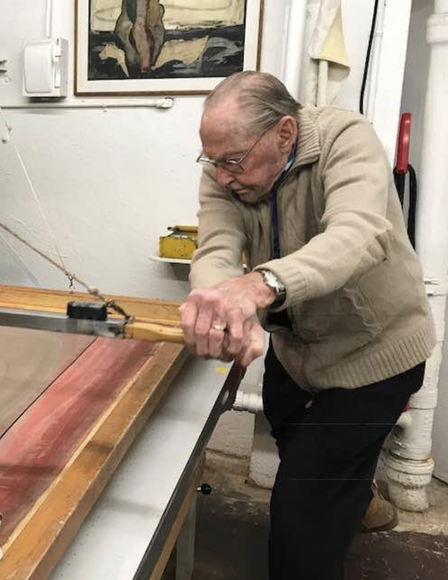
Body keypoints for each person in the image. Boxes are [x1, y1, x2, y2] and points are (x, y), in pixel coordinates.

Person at [182, 71, 435, 580]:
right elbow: (215, 250)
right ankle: (360, 501)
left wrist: (260, 285)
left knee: (302, 512)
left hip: (377, 353)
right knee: (291, 430)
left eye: (233, 161)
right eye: (213, 161)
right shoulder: (224, 170)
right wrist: (216, 300)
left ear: (284, 133)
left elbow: (358, 234)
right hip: (299, 353)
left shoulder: (347, 138)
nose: (223, 176)